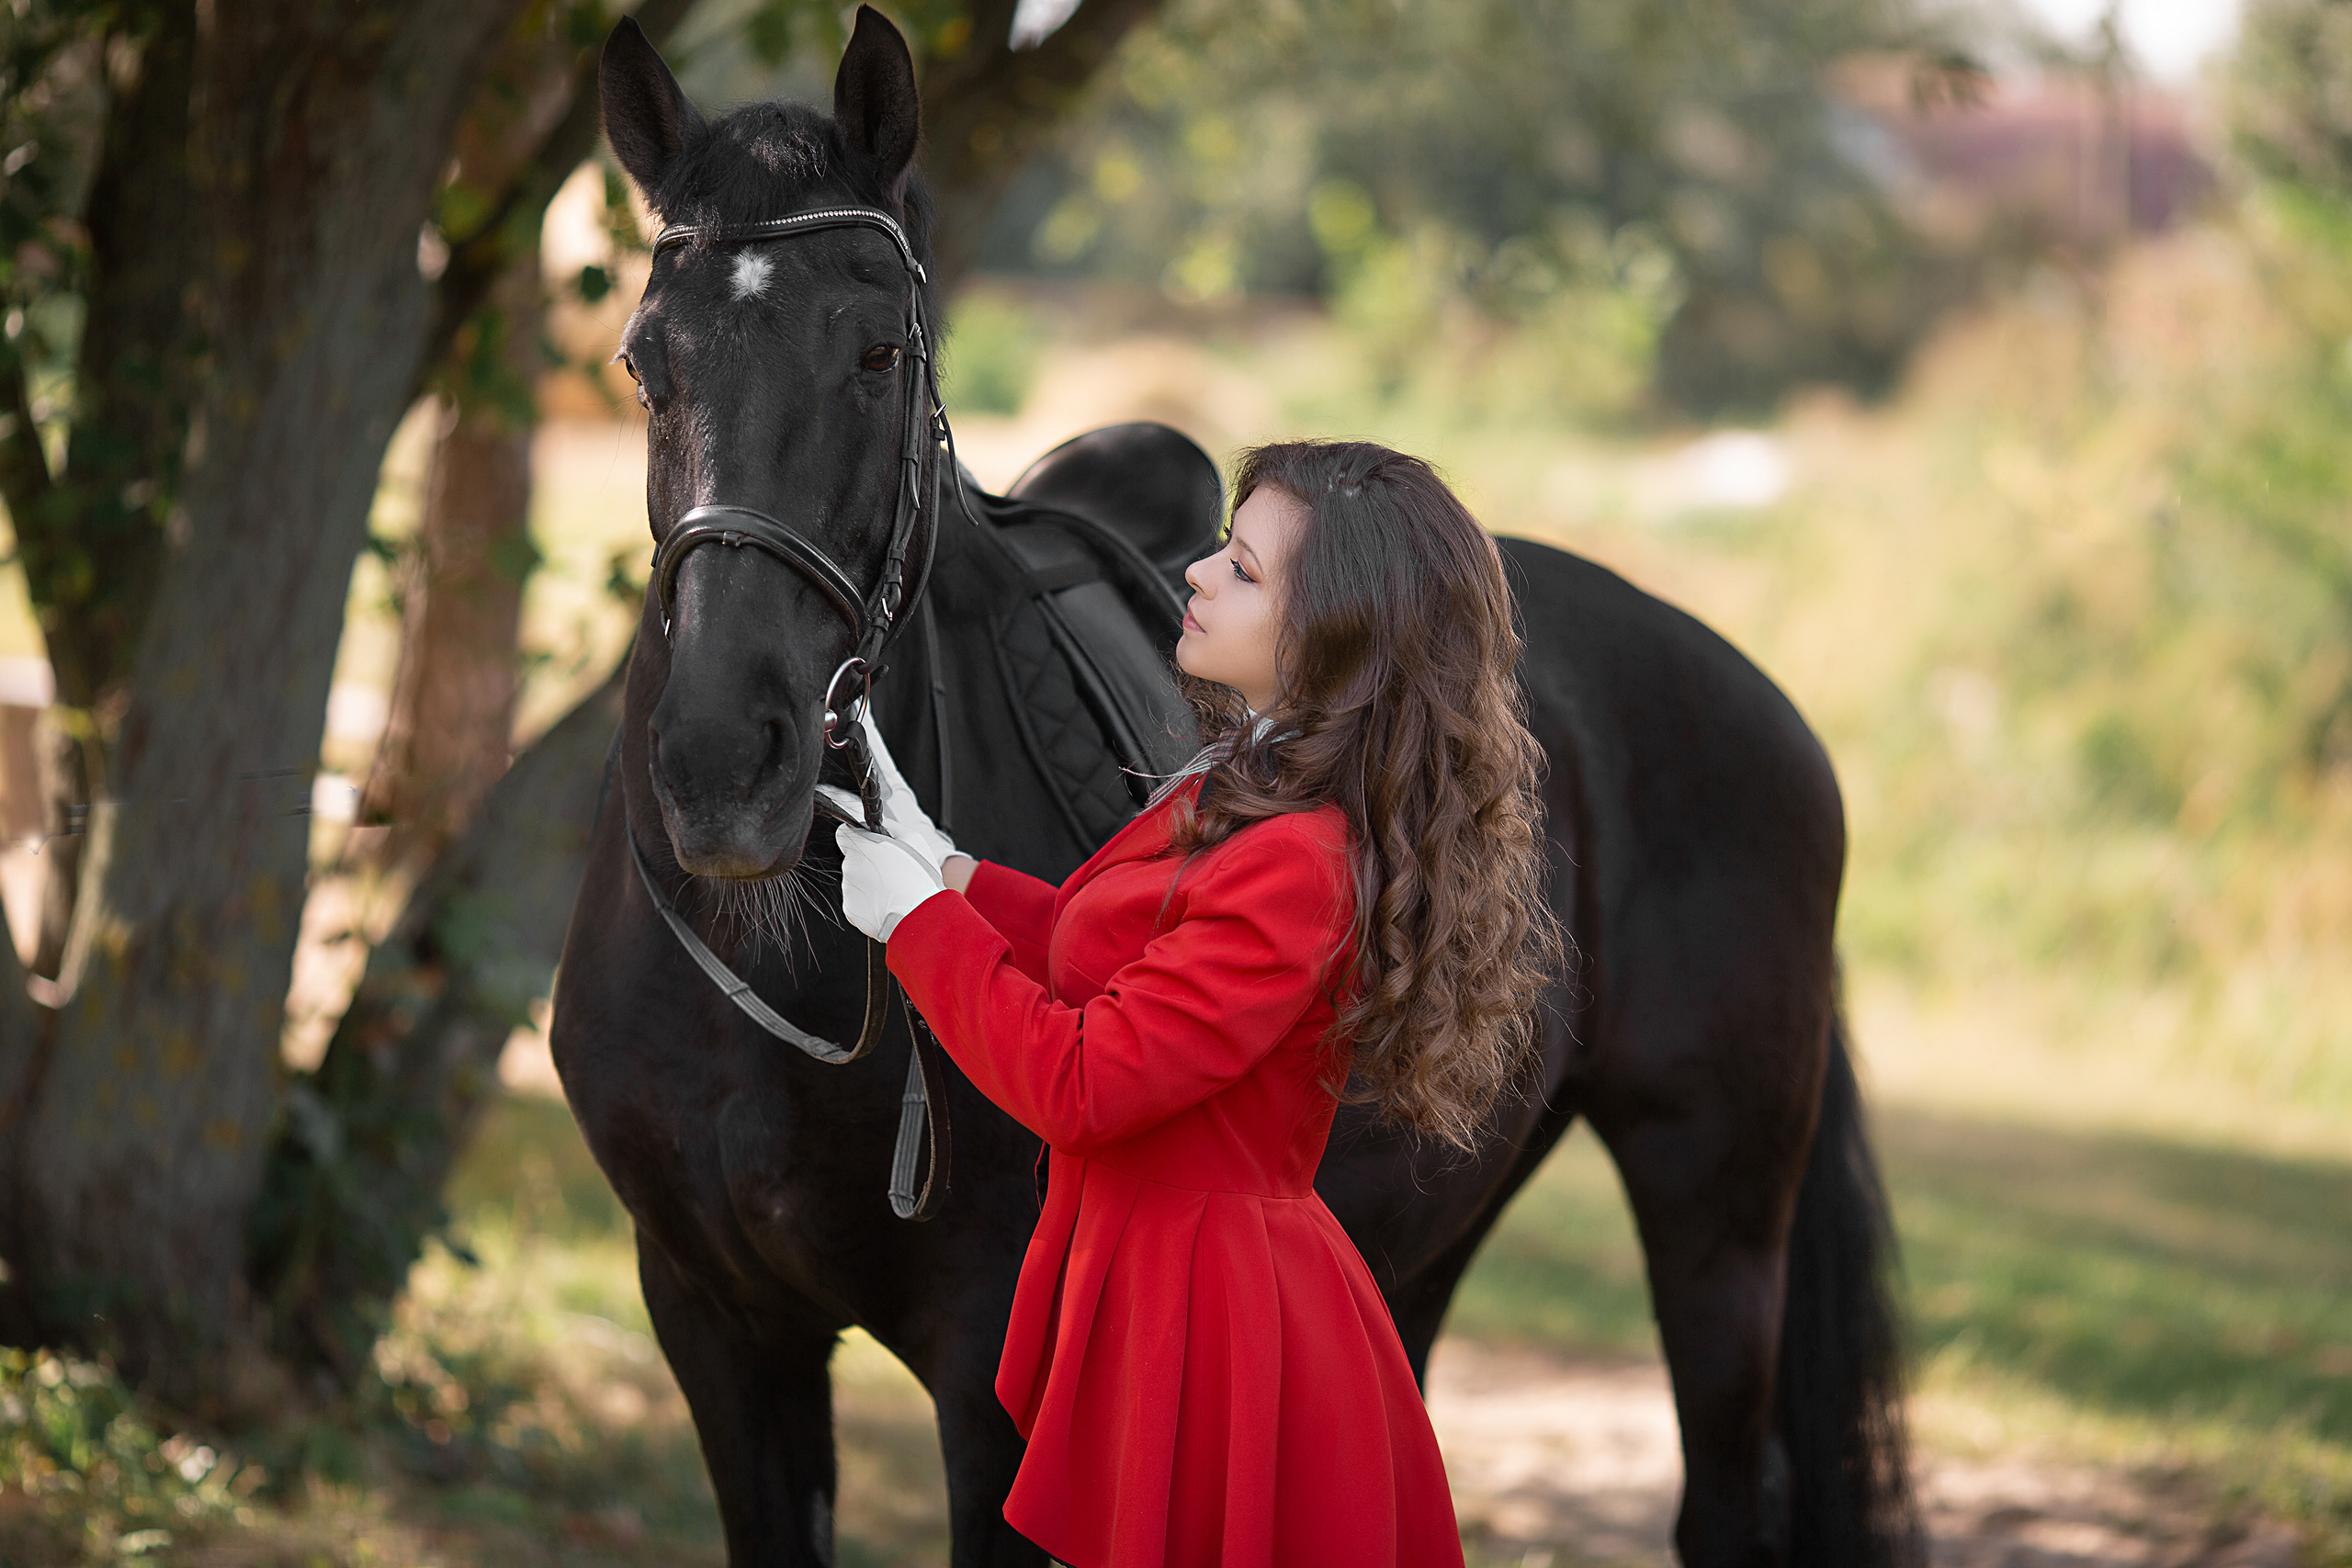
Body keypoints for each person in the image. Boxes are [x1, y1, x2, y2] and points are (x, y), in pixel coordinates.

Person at [827, 439, 1559, 1568]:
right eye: (1224, 548)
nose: (1199, 573)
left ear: (1338, 634)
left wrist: (913, 926)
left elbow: (1083, 1081)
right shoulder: (1254, 787)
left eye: (1248, 570)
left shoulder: (1299, 861)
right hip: (1156, 1273)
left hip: (1211, 1319)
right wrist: (949, 872)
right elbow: (1116, 952)